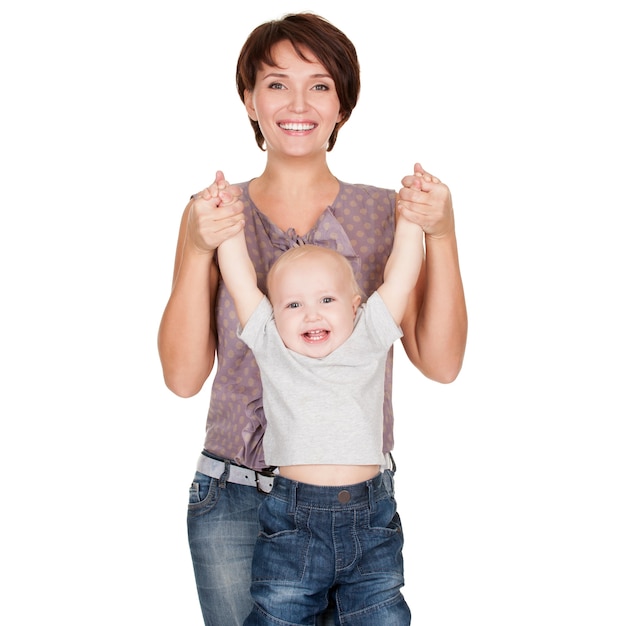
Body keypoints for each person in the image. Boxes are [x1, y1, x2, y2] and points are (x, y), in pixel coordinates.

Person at [157, 11, 467, 626]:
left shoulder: (387, 214)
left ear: (342, 106)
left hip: (353, 502)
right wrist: (196, 248)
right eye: (276, 83)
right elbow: (184, 378)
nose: (297, 103)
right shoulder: (214, 214)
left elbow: (442, 363)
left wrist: (444, 234)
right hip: (234, 497)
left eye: (320, 84)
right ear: (249, 99)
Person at [215, 198, 423, 622]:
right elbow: (239, 282)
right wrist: (228, 225)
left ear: (355, 305)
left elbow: (400, 279)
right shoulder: (273, 346)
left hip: (372, 519)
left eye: (326, 299)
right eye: (293, 305)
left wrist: (411, 221)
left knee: (384, 615)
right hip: (294, 520)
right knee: (278, 613)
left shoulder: (369, 336)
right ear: (273, 315)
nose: (310, 313)